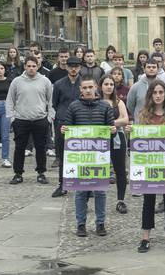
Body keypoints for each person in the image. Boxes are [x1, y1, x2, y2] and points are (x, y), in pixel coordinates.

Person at [129, 79, 165, 254]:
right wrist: (131, 132)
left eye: (161, 92)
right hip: (149, 164)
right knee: (148, 201)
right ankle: (145, 237)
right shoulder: (143, 114)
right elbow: (137, 142)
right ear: (150, 95)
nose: (158, 96)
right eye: (155, 93)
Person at [60, 76, 116, 237]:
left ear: (96, 88)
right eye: (84, 88)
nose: (87, 90)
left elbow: (110, 132)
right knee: (81, 192)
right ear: (80, 90)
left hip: (100, 156)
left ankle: (100, 223)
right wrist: (64, 130)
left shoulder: (105, 107)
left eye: (90, 87)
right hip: (80, 157)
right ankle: (81, 224)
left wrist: (112, 131)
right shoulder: (73, 107)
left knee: (100, 192)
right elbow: (68, 131)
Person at [6, 56, 54, 185]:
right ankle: (18, 173)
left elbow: (51, 101)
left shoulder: (45, 81)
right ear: (25, 66)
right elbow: (10, 100)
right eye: (29, 66)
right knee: (20, 147)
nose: (31, 68)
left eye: (34, 66)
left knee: (41, 147)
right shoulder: (17, 81)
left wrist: (49, 118)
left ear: (38, 66)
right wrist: (12, 118)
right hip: (21, 119)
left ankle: (41, 173)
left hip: (40, 119)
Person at [51, 56, 82, 198]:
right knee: (63, 154)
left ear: (80, 67)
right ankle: (62, 184)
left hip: (81, 121)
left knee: (83, 155)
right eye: (71, 66)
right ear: (67, 67)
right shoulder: (58, 84)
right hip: (63, 121)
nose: (73, 69)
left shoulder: (86, 83)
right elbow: (55, 103)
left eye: (76, 66)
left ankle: (85, 185)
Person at [99, 74, 130, 214]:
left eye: (111, 84)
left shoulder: (118, 102)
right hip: (99, 139)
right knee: (97, 169)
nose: (109, 87)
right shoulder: (96, 102)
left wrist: (113, 124)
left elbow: (125, 119)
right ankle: (90, 196)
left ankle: (121, 200)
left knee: (120, 169)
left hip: (117, 138)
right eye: (106, 84)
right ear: (101, 86)